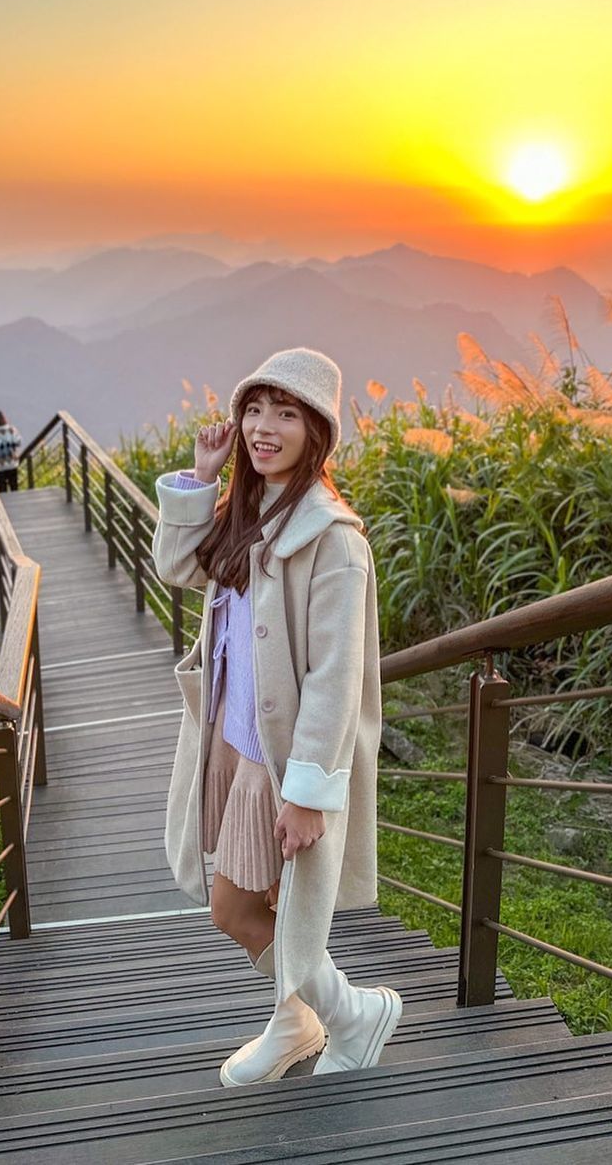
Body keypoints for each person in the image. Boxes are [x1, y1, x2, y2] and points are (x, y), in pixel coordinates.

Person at [151, 347, 400, 1090]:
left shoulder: (333, 540)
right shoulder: (249, 511)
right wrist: (200, 480)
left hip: (280, 763)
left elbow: (334, 680)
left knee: (234, 908)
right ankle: (297, 1018)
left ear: (316, 431)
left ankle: (351, 1012)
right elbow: (179, 568)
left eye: (285, 414)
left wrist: (307, 792)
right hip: (231, 742)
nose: (264, 427)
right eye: (254, 409)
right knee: (258, 900)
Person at [0, 409, 23, 493]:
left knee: (2, 488)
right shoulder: (12, 429)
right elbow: (19, 442)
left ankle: (4, 505)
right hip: (12, 462)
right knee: (14, 486)